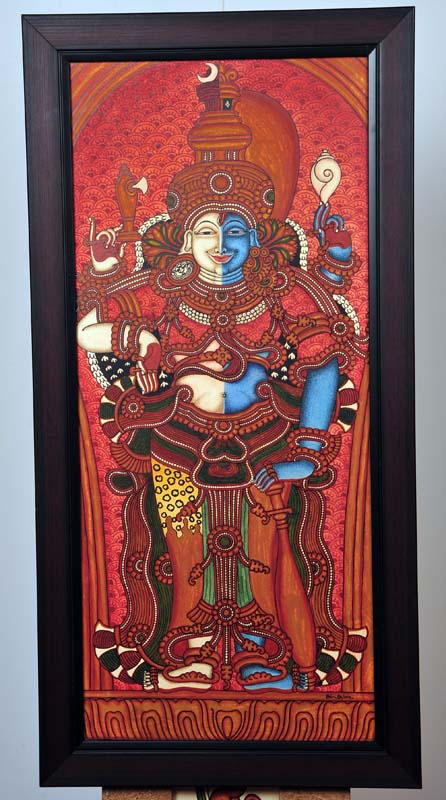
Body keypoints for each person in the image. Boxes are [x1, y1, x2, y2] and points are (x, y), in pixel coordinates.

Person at [77, 62, 367, 692]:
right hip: (177, 445)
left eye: (235, 230)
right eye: (206, 230)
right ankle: (183, 654)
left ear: (256, 237)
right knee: (182, 556)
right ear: (183, 239)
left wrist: (304, 452)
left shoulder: (280, 289)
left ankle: (279, 658)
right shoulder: (164, 290)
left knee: (267, 555)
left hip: (265, 442)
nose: (221, 243)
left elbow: (325, 362)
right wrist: (140, 337)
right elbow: (85, 330)